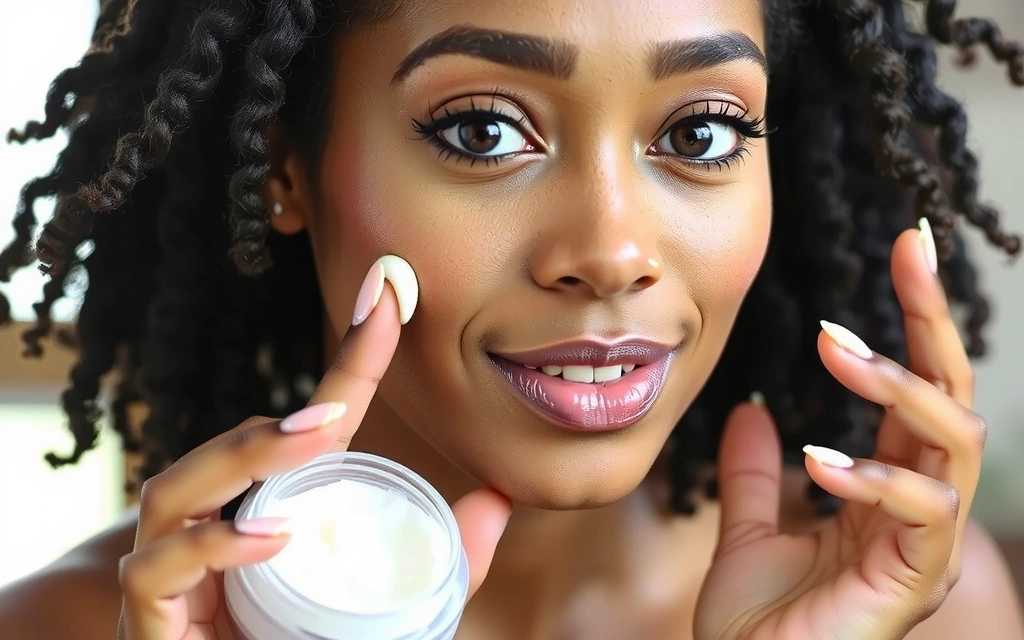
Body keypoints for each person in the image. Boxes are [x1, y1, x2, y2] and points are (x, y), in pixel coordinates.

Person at [1, 0, 1024, 637]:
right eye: (484, 130)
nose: (612, 250)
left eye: (700, 130)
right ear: (282, 167)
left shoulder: (916, 609)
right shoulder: (73, 628)